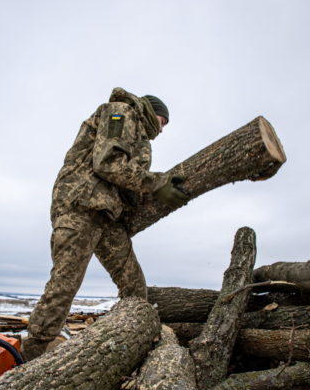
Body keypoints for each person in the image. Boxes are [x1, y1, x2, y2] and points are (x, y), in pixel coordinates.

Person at [23, 87, 189, 360]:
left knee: (134, 286)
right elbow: (107, 163)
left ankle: (131, 344)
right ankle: (33, 353)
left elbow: (126, 185)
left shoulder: (140, 138)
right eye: (163, 122)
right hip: (81, 209)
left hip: (108, 218)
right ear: (152, 112)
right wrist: (157, 183)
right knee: (64, 285)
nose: (162, 130)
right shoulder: (120, 113)